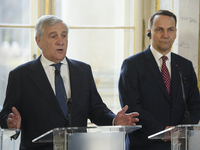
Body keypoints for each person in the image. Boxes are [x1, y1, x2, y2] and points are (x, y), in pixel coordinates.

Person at [0, 15, 139, 150]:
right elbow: (6, 113)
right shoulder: (21, 75)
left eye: (64, 35)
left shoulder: (83, 71)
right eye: (54, 36)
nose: (61, 41)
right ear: (39, 41)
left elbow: (97, 109)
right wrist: (10, 122)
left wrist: (114, 120)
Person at [118, 10, 200, 150]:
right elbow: (131, 107)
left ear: (175, 33)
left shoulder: (185, 65)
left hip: (178, 144)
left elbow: (195, 105)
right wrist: (163, 131)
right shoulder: (132, 65)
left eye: (170, 30)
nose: (165, 35)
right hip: (144, 144)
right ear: (149, 33)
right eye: (159, 30)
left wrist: (178, 132)